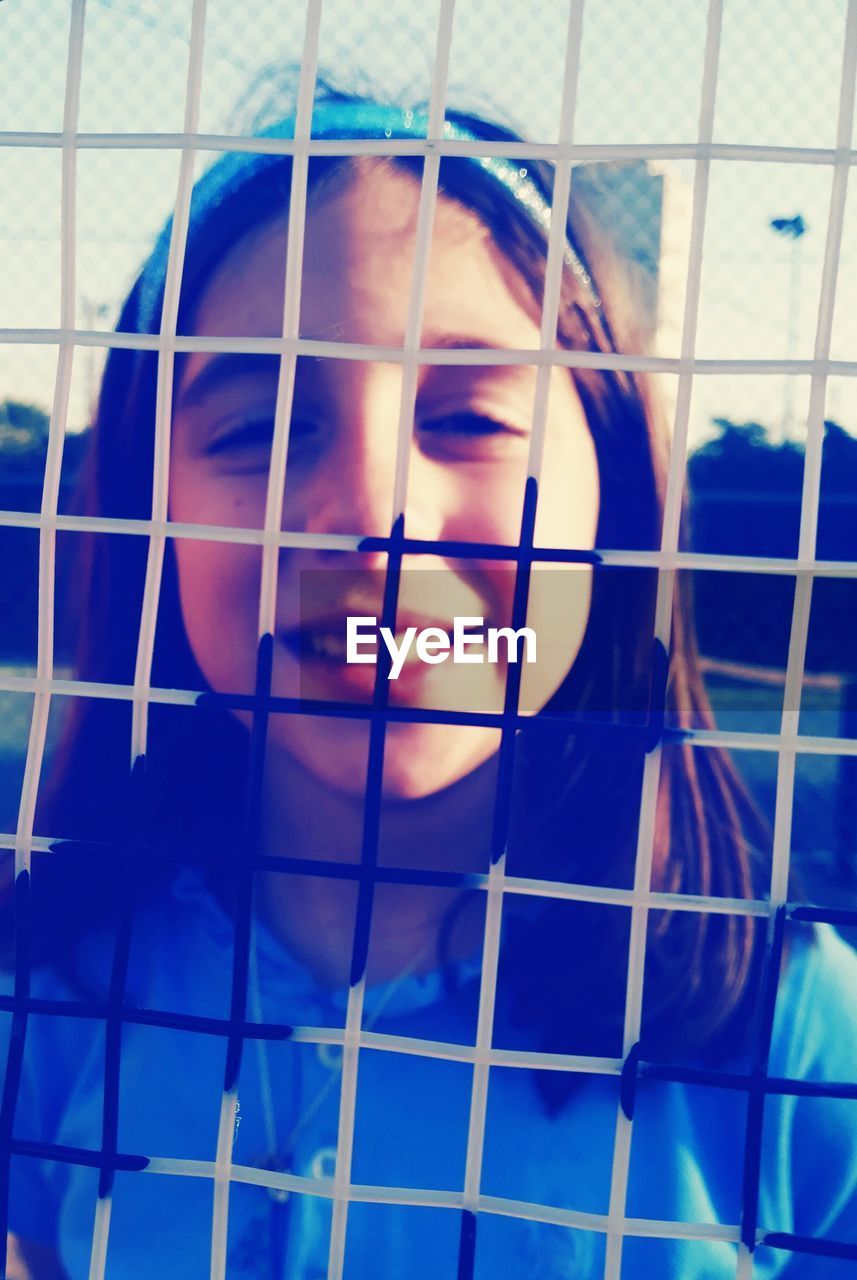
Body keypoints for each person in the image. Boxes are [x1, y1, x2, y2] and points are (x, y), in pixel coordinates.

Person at [2, 83, 856, 1280]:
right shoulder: (52, 986)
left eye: (466, 415)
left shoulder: (790, 1030)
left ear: (611, 492)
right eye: (255, 429)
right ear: (152, 520)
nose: (372, 514)